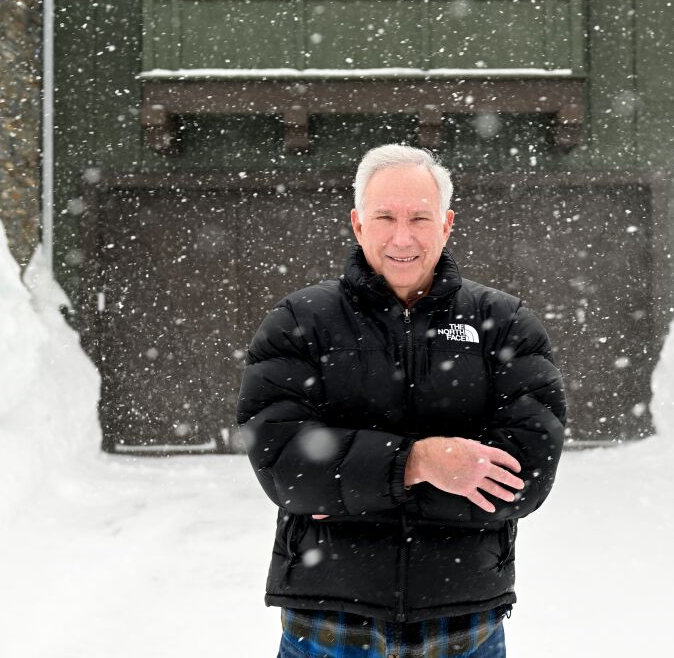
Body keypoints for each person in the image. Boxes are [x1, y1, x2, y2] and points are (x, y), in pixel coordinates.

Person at [237, 144, 567, 658]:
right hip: (328, 621)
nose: (402, 237)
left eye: (419, 217)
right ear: (357, 223)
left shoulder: (505, 324)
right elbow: (287, 469)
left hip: (463, 622)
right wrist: (422, 463)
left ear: (447, 223)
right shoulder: (299, 322)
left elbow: (523, 478)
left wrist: (349, 489)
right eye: (384, 216)